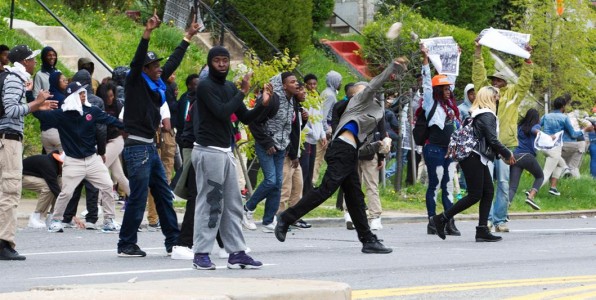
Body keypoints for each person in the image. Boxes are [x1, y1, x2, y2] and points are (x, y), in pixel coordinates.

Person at [275, 57, 409, 254]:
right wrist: (392, 67)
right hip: (342, 150)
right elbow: (374, 84)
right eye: (365, 90)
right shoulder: (358, 101)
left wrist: (379, 147)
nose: (369, 92)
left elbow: (360, 147)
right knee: (326, 189)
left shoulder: (371, 113)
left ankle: (368, 240)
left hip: (348, 152)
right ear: (357, 94)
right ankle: (287, 217)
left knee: (355, 197)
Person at [117, 11, 199, 257]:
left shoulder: (157, 84)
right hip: (136, 148)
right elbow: (137, 60)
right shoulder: (135, 83)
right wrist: (147, 33)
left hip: (149, 148)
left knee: (164, 195)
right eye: (154, 66)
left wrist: (187, 38)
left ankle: (173, 241)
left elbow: (172, 62)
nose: (159, 69)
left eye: (158, 66)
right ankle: (126, 244)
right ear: (144, 69)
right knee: (139, 198)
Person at [191, 45, 267, 270]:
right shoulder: (204, 87)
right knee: (212, 203)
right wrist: (242, 92)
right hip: (208, 151)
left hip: (225, 151)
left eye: (225, 60)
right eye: (218, 61)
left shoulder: (229, 87)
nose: (222, 64)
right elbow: (223, 112)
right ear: (210, 62)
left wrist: (265, 104)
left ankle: (236, 252)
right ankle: (201, 254)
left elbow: (245, 117)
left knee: (233, 204)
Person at [431, 86, 514, 242]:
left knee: (488, 191)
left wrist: (499, 154)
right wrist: (507, 153)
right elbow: (492, 139)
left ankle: (482, 229)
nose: (498, 99)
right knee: (475, 194)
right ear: (489, 97)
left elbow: (486, 140)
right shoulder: (487, 115)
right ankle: (441, 218)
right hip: (473, 156)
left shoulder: (477, 114)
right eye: (496, 96)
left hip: (475, 156)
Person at [39, 81, 124, 233]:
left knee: (107, 186)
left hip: (92, 159)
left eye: (84, 92)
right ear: (72, 96)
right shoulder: (61, 114)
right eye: (81, 93)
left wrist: (132, 126)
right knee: (66, 192)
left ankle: (109, 220)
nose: (84, 95)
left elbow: (112, 121)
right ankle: (56, 220)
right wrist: (38, 104)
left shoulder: (93, 111)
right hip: (72, 162)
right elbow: (40, 116)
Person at [0, 44, 56, 261]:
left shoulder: (10, 77)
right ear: (24, 61)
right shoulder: (14, 79)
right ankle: (4, 243)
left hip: (5, 139)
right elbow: (12, 110)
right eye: (32, 59)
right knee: (10, 192)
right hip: (9, 141)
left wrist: (35, 106)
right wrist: (36, 102)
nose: (34, 62)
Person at [473, 37, 534, 233]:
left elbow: (524, 83)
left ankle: (499, 219)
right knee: (486, 183)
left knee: (504, 183)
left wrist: (528, 61)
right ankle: (488, 219)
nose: (495, 83)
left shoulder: (513, 95)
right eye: (493, 80)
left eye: (498, 80)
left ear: (505, 83)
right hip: (486, 145)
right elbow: (477, 75)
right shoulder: (485, 93)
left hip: (506, 144)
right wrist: (477, 52)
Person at [243, 72, 299, 233]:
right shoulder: (273, 99)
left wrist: (290, 149)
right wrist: (267, 142)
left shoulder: (291, 100)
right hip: (266, 145)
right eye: (292, 82)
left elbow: (291, 126)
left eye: (296, 81)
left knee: (278, 183)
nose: (296, 84)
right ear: (283, 85)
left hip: (281, 146)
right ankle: (247, 209)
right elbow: (254, 122)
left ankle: (268, 220)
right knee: (270, 180)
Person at [420, 45, 460, 237]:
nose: (448, 91)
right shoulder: (430, 103)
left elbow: (452, 77)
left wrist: (457, 57)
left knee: (449, 185)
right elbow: (426, 83)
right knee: (435, 185)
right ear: (437, 90)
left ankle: (449, 220)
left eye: (448, 89)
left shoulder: (451, 105)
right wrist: (425, 60)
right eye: (444, 89)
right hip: (434, 150)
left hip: (449, 151)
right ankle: (431, 221)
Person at [540, 96, 593, 195]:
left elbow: (538, 127)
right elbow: (573, 134)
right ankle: (532, 192)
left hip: (546, 146)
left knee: (556, 165)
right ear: (563, 106)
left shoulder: (546, 116)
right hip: (558, 146)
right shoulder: (564, 118)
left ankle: (553, 187)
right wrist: (585, 130)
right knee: (548, 172)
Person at [278, 82, 310, 228]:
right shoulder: (288, 108)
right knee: (285, 188)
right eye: (300, 90)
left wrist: (304, 120)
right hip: (288, 155)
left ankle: (293, 217)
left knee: (298, 187)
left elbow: (296, 131)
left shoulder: (298, 108)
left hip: (295, 154)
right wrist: (292, 155)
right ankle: (280, 218)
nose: (304, 93)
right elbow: (288, 134)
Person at [508, 109, 543, 210]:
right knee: (540, 176)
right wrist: (546, 136)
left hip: (515, 157)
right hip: (527, 156)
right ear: (536, 118)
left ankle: (504, 210)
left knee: (513, 187)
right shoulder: (535, 126)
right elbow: (534, 130)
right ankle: (530, 197)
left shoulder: (519, 127)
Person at [313, 71, 342, 184]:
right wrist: (325, 131)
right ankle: (311, 183)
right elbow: (323, 116)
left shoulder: (329, 93)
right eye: (339, 81)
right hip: (325, 131)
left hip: (325, 129)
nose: (341, 83)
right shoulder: (329, 95)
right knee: (318, 158)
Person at [300, 74, 326, 197]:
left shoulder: (318, 99)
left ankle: (308, 192)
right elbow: (303, 121)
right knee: (304, 167)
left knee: (311, 166)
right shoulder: (303, 99)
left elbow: (319, 119)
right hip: (306, 137)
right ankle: (301, 192)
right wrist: (311, 132)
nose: (312, 86)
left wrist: (322, 135)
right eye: (310, 84)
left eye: (314, 84)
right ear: (305, 84)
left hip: (314, 139)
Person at [23, 151, 63, 228]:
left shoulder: (55, 164)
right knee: (48, 188)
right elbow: (54, 189)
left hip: (34, 175)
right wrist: (69, 212)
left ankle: (53, 216)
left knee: (60, 186)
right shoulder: (49, 166)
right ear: (60, 162)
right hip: (22, 175)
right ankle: (36, 217)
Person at [34, 71, 68, 153]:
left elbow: (37, 111)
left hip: (45, 134)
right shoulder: (63, 98)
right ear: (56, 82)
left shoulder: (45, 96)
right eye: (63, 80)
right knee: (63, 162)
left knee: (51, 163)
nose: (66, 83)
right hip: (58, 133)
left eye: (66, 80)